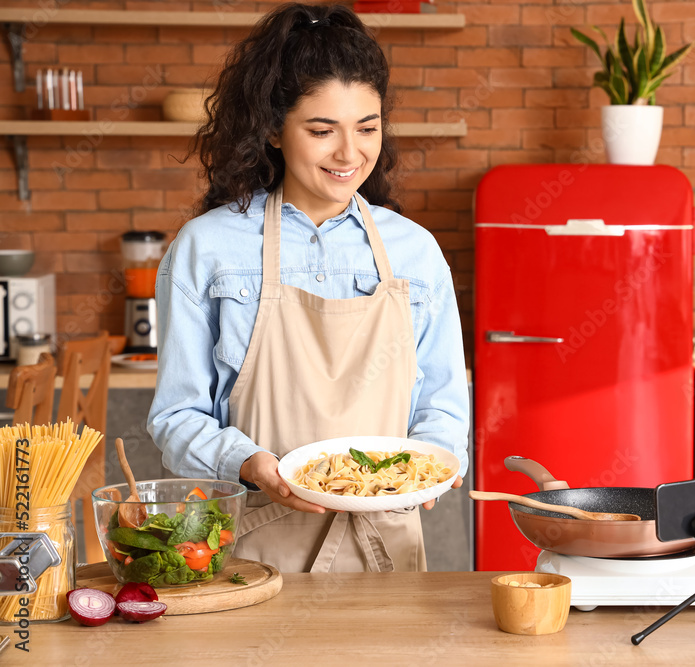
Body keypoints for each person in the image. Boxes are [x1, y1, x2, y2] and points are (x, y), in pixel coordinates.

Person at [147, 3, 469, 573]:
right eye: (322, 131)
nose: (350, 153)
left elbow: (442, 405)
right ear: (272, 129)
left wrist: (435, 462)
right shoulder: (206, 247)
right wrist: (250, 462)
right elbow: (177, 416)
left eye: (367, 128)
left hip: (386, 549)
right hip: (256, 547)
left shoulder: (415, 252)